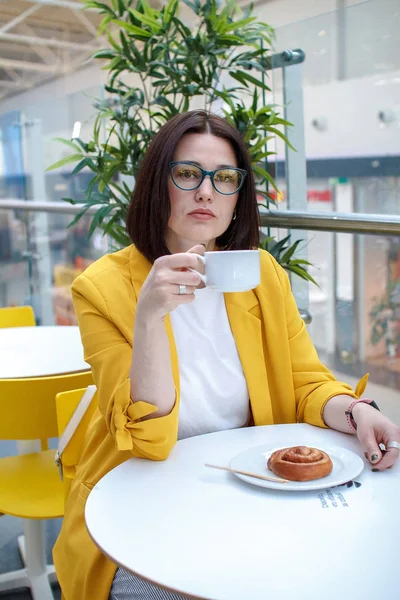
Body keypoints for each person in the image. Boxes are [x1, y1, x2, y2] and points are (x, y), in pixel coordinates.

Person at [53, 110, 400, 600]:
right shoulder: (102, 288)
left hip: (255, 491)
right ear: (159, 185)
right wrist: (149, 316)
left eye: (225, 179)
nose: (206, 192)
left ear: (238, 198)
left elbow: (305, 382)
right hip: (145, 502)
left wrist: (359, 411)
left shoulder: (261, 274)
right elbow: (147, 438)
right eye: (188, 173)